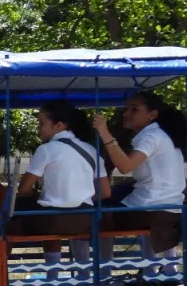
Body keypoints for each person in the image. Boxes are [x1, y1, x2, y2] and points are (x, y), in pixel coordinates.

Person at [7, 100, 111, 276]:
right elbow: (105, 192)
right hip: (85, 219)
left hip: (51, 220)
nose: (38, 128)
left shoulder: (46, 149)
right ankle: (84, 277)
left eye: (41, 123)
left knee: (15, 222)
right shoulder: (91, 150)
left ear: (59, 125)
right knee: (70, 221)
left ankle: (52, 277)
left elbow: (24, 189)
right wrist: (78, 198)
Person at [92, 92, 187, 259]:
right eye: (127, 108)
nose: (126, 113)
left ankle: (103, 272)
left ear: (152, 115)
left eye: (134, 109)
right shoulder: (163, 136)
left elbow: (125, 166)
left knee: (98, 218)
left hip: (150, 208)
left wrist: (104, 132)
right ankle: (164, 268)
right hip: (172, 208)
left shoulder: (151, 136)